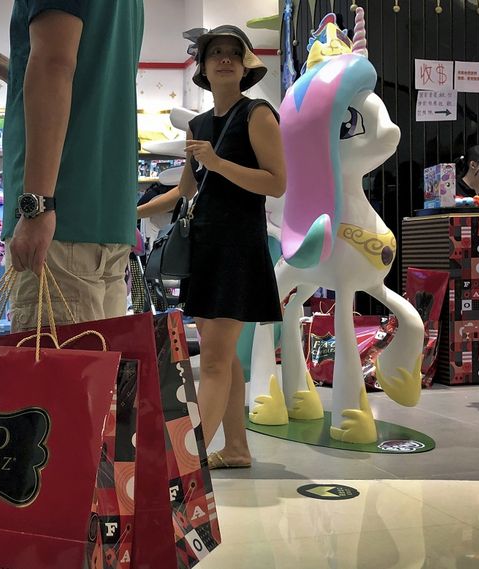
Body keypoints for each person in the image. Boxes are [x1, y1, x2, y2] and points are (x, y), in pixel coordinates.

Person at [0, 2, 144, 331]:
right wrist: (2, 63)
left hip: (60, 220)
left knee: (52, 375)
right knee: (97, 373)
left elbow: (53, 65)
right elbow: (85, 72)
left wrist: (37, 204)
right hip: (107, 219)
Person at [177, 26, 286, 469]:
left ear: (244, 66)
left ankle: (186, 461)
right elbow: (188, 190)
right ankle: (237, 448)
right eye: (215, 53)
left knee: (217, 360)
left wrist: (218, 163)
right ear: (202, 67)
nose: (223, 60)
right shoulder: (198, 126)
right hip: (205, 246)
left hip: (238, 249)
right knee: (222, 357)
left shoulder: (258, 114)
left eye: (232, 54)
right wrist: (137, 212)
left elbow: (277, 183)